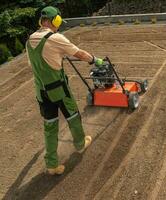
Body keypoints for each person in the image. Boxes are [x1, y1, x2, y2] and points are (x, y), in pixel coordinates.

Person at [26, 6, 103, 175]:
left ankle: (52, 165)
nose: (58, 26)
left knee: (50, 125)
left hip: (41, 92)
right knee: (73, 116)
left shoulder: (30, 40)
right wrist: (95, 60)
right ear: (56, 21)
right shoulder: (55, 38)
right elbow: (80, 54)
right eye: (59, 22)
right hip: (58, 90)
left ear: (41, 21)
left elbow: (35, 65)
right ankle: (80, 144)